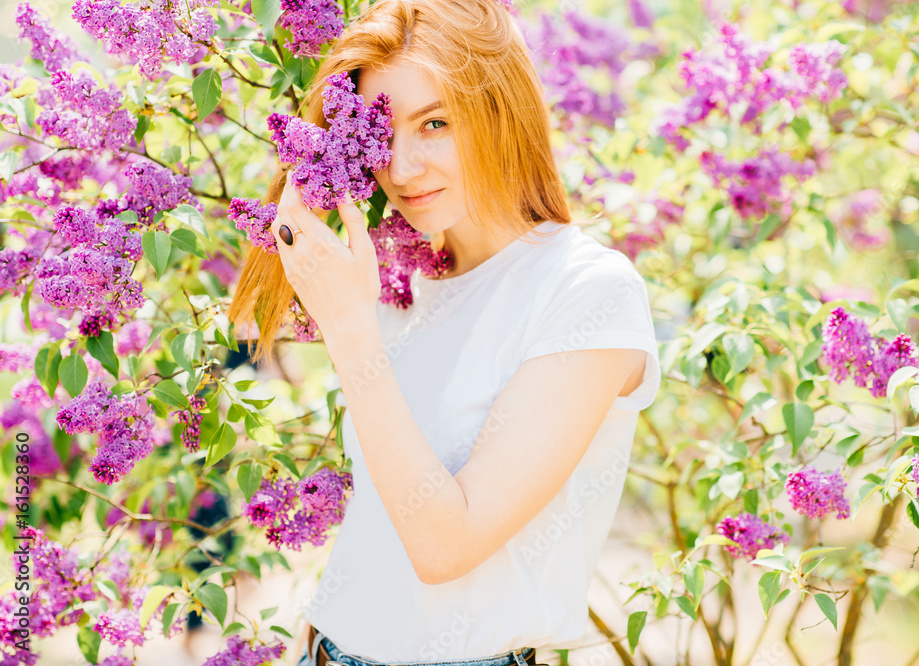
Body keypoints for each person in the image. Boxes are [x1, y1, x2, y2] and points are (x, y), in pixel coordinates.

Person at [227, 0, 662, 664]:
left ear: (501, 111)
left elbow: (445, 546)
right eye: (381, 134)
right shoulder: (404, 279)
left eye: (435, 122)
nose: (401, 169)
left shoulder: (586, 292)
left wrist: (349, 327)